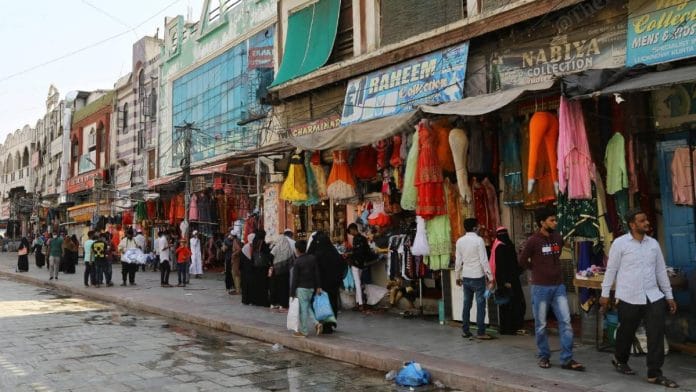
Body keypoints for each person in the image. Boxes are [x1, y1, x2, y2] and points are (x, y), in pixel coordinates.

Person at [600, 209, 678, 388]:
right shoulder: (620, 244)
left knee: (656, 334)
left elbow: (660, 271)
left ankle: (654, 373)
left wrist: (669, 296)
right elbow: (611, 270)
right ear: (632, 224)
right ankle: (620, 359)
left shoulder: (653, 244)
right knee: (626, 331)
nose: (647, 223)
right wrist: (605, 295)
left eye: (646, 220)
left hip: (653, 296)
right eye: (642, 221)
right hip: (629, 296)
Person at [519, 207, 585, 371]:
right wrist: (535, 269)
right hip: (540, 288)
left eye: (555, 220)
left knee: (566, 322)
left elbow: (559, 252)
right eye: (552, 220)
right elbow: (521, 260)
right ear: (542, 223)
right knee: (541, 325)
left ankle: (567, 359)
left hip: (559, 286)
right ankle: (543, 356)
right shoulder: (533, 240)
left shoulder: (558, 238)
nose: (555, 223)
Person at [454, 218, 494, 340]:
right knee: (481, 304)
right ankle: (481, 332)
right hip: (478, 277)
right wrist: (490, 277)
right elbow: (483, 260)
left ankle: (466, 331)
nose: (479, 228)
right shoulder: (479, 240)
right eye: (478, 226)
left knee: (467, 304)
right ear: (475, 228)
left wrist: (457, 276)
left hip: (466, 276)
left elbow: (458, 261)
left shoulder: (460, 241)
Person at [307, 231, 345, 334]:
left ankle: (323, 323)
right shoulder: (333, 252)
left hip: (321, 284)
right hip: (333, 284)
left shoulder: (316, 254)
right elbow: (341, 267)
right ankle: (330, 323)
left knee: (322, 303)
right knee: (332, 302)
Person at [490, 227, 526, 335]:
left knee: (508, 305)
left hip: (509, 280)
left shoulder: (502, 246)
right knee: (511, 304)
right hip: (508, 281)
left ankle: (509, 327)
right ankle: (509, 328)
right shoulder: (502, 247)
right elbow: (501, 266)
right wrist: (505, 281)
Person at [290, 239, 323, 337]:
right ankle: (317, 324)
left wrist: (292, 293)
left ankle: (303, 331)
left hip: (301, 288)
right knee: (307, 307)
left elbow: (294, 279)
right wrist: (318, 286)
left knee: (303, 310)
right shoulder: (312, 258)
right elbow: (317, 273)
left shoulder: (297, 261)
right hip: (311, 288)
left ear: (297, 250)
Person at [347, 223, 373, 310]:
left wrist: (351, 254)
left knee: (357, 283)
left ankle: (360, 303)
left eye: (350, 231)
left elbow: (357, 251)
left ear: (353, 229)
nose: (350, 233)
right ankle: (358, 302)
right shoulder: (363, 238)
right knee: (358, 282)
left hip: (356, 263)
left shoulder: (357, 239)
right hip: (361, 263)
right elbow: (366, 251)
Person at [269, 230, 294, 310]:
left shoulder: (275, 247)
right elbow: (291, 260)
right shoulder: (288, 248)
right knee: (283, 288)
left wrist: (274, 264)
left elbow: (270, 257)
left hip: (276, 270)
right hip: (285, 271)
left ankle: (273, 303)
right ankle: (283, 304)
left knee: (274, 287)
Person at [249, 230, 271, 307]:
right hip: (262, 267)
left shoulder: (255, 242)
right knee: (263, 285)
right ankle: (263, 301)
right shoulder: (262, 243)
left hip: (255, 266)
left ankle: (256, 300)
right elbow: (267, 253)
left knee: (256, 284)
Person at [224, 229, 242, 295]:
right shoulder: (235, 240)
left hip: (235, 259)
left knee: (235, 273)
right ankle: (236, 288)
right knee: (233, 273)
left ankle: (237, 290)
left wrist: (233, 254)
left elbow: (239, 249)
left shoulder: (235, 241)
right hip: (233, 258)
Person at [240, 232, 255, 305]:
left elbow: (241, 261)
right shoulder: (255, 247)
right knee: (251, 285)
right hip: (252, 270)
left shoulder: (244, 248)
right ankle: (251, 300)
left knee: (245, 285)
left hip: (245, 270)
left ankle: (246, 300)